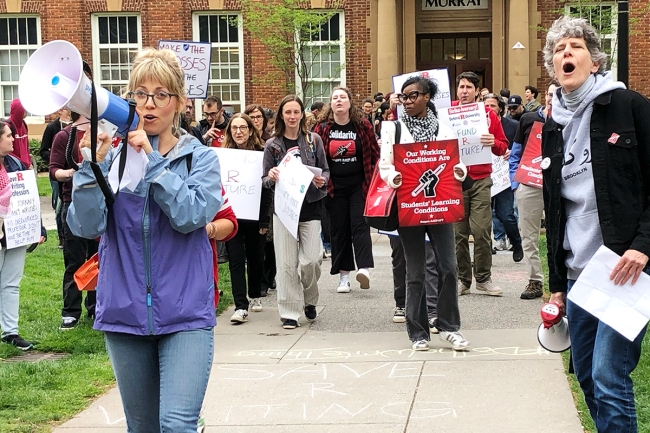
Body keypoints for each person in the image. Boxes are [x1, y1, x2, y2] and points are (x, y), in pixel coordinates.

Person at [67, 48, 222, 432]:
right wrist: (92, 169)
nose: (148, 104)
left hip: (185, 313)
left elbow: (191, 215)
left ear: (180, 103)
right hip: (124, 311)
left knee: (175, 424)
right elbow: (85, 227)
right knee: (143, 428)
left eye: (160, 95)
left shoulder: (199, 159)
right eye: (140, 93)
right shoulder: (114, 160)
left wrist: (153, 162)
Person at [542, 16, 650, 432]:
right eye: (558, 50)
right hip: (579, 275)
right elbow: (555, 208)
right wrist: (557, 283)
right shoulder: (552, 124)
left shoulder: (627, 106)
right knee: (586, 375)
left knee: (609, 375)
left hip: (626, 267)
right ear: (553, 66)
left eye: (576, 47)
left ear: (594, 59)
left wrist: (643, 245)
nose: (566, 53)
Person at [381, 75, 469, 352]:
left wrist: (459, 172)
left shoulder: (444, 127)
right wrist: (396, 178)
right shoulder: (392, 129)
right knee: (416, 271)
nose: (406, 101)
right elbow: (385, 167)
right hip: (410, 206)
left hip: (441, 205)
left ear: (427, 97)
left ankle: (448, 326)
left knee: (449, 267)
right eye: (403, 97)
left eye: (412, 96)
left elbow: (458, 161)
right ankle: (418, 332)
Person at [262, 95, 329, 329]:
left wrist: (322, 180)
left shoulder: (314, 141)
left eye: (296, 112)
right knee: (286, 264)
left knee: (311, 260)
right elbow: (264, 180)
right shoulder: (272, 145)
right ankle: (289, 311)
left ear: (302, 114)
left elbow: (325, 170)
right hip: (284, 210)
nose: (292, 116)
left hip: (311, 207)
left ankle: (310, 299)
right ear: (281, 115)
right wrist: (270, 176)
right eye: (288, 112)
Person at [313, 87, 379, 293]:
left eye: (343, 97)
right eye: (335, 98)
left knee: (360, 225)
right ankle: (343, 276)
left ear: (350, 102)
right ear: (330, 104)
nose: (339, 101)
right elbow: (314, 156)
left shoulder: (363, 126)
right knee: (339, 229)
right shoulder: (322, 128)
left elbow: (375, 153)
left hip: (359, 185)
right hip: (333, 187)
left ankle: (364, 268)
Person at [453, 72, 508, 297]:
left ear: (477, 91)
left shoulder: (487, 115)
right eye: (461, 87)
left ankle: (484, 278)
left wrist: (493, 141)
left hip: (480, 179)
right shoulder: (449, 113)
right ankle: (463, 279)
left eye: (468, 87)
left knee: (482, 229)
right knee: (458, 233)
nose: (464, 91)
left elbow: (503, 146)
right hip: (455, 179)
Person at [510, 79, 559, 300]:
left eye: (557, 94)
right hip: (529, 184)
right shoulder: (528, 119)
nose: (551, 98)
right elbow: (516, 153)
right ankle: (535, 280)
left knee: (559, 235)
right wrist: (515, 182)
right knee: (528, 236)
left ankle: (560, 282)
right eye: (549, 94)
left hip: (558, 185)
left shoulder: (569, 120)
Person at [50, 112, 99, 329]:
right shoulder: (64, 136)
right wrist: (72, 172)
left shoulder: (102, 133)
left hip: (96, 203)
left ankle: (96, 306)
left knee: (97, 258)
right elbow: (53, 171)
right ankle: (71, 310)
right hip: (73, 203)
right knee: (74, 259)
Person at [223, 113, 273, 323]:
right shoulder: (224, 155)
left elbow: (266, 190)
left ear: (251, 130)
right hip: (231, 216)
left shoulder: (261, 154)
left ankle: (254, 295)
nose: (238, 132)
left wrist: (264, 221)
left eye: (242, 127)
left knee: (255, 258)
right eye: (234, 128)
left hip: (254, 215)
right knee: (235, 260)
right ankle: (240, 305)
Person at [0, 120, 45, 351]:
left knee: (11, 283)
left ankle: (10, 332)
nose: (12, 139)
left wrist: (38, 227)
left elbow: (29, 197)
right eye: (8, 136)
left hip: (15, 232)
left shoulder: (16, 163)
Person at [482, 93, 523, 260]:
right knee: (483, 216)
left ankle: (516, 242)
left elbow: (521, 146)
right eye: (486, 106)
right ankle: (486, 249)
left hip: (504, 177)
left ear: (500, 107)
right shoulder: (476, 123)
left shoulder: (513, 126)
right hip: (484, 175)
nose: (489, 109)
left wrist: (511, 152)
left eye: (492, 105)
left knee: (505, 214)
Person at [40, 108, 72, 248]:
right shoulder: (52, 127)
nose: (69, 110)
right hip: (58, 172)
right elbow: (43, 150)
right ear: (60, 112)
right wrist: (56, 156)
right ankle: (62, 237)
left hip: (70, 174)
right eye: (66, 108)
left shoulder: (77, 127)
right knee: (58, 205)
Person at [6, 99, 31, 169]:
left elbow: (26, 146)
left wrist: (29, 162)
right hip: (13, 166)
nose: (26, 112)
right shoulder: (8, 126)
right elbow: (6, 150)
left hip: (25, 166)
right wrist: (19, 163)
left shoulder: (24, 124)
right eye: (24, 109)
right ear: (19, 109)